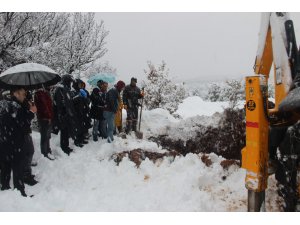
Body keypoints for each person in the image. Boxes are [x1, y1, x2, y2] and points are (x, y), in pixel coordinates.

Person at [0, 87, 36, 197]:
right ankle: (20, 194)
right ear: (16, 93)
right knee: (18, 169)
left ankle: (5, 190)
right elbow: (23, 124)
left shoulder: (3, 104)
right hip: (15, 143)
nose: (24, 96)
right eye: (23, 94)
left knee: (5, 169)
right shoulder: (16, 106)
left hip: (4, 142)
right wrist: (31, 112)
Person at [52, 74, 77, 155]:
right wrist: (63, 112)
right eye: (70, 82)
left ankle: (66, 146)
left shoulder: (65, 89)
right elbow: (59, 102)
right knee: (64, 131)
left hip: (67, 113)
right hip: (63, 114)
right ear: (66, 81)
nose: (71, 83)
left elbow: (68, 101)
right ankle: (64, 147)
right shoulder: (60, 89)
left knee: (66, 131)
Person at [34, 87, 55, 160]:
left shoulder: (45, 93)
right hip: (44, 118)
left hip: (47, 118)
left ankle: (48, 150)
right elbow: (44, 107)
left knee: (47, 135)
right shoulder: (39, 94)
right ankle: (44, 153)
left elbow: (48, 105)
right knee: (44, 136)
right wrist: (48, 116)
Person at [72, 79, 91, 147]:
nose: (80, 85)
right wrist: (78, 97)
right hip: (77, 112)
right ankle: (77, 141)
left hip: (82, 111)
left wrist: (85, 98)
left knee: (82, 126)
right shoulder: (73, 91)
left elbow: (85, 101)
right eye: (79, 84)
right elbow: (72, 102)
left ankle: (81, 139)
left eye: (81, 84)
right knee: (78, 127)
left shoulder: (80, 91)